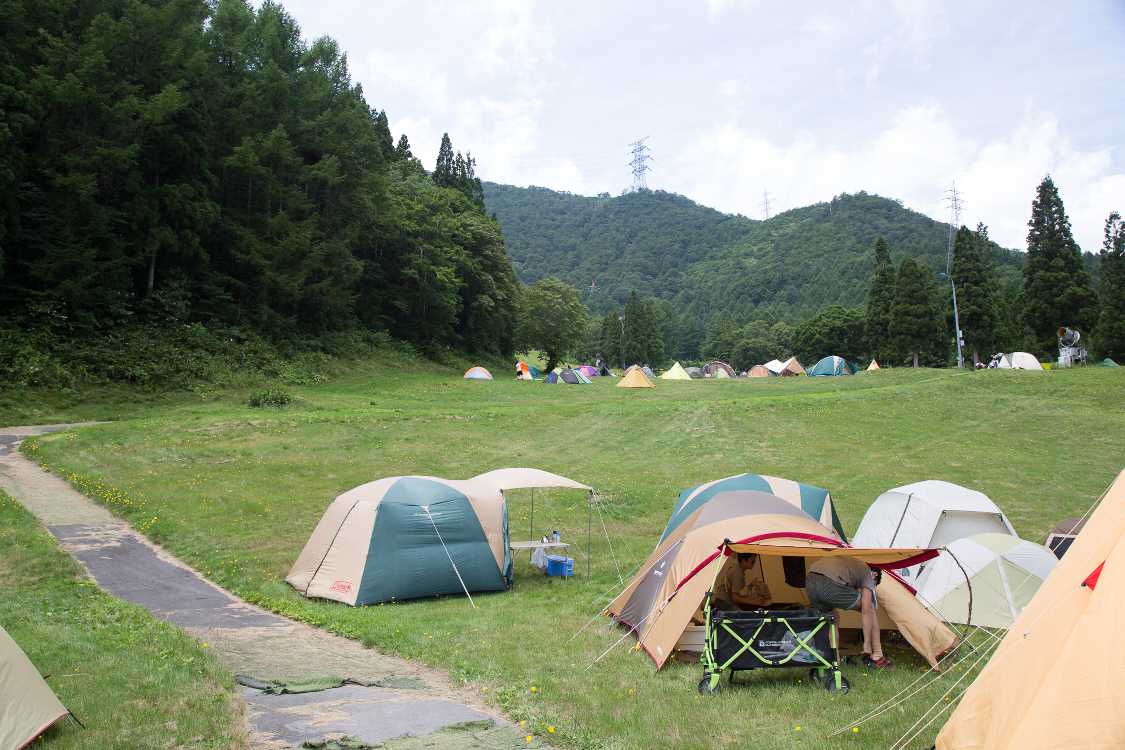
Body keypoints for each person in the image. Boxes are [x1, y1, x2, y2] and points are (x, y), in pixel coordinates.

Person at [806, 556, 892, 669]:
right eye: (872, 586)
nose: (869, 589)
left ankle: (833, 658)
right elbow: (866, 611)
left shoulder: (853, 564)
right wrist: (866, 643)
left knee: (832, 618)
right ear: (874, 575)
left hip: (810, 581)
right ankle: (877, 655)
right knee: (870, 608)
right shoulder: (868, 572)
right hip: (828, 583)